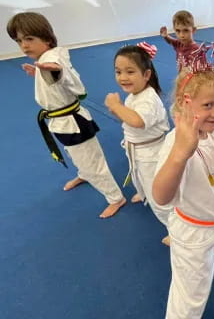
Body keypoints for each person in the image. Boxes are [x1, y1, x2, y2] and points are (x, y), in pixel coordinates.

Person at [152, 69, 214, 319]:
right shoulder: (176, 144)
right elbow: (161, 196)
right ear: (185, 103)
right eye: (208, 105)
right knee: (191, 294)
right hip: (194, 230)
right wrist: (180, 154)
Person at [6, 12, 126, 218]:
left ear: (47, 38)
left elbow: (72, 82)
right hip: (60, 122)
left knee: (93, 163)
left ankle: (116, 198)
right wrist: (40, 74)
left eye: (29, 39)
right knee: (76, 154)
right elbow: (56, 82)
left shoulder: (53, 61)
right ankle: (84, 174)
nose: (24, 45)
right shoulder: (46, 59)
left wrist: (56, 72)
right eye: (19, 41)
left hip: (72, 122)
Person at [104, 43, 172, 243]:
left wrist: (116, 105)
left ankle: (176, 229)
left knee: (158, 195)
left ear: (146, 74)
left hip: (152, 153)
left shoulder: (149, 98)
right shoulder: (135, 95)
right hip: (137, 150)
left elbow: (137, 121)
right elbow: (129, 119)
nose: (123, 77)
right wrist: (119, 110)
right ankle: (142, 194)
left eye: (130, 71)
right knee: (138, 177)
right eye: (118, 71)